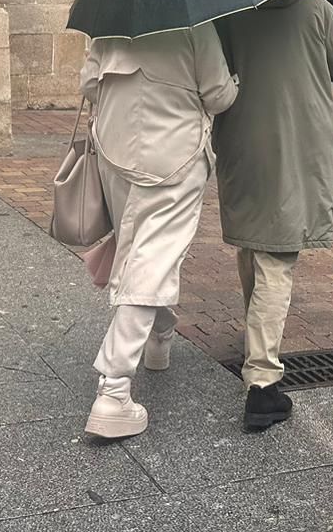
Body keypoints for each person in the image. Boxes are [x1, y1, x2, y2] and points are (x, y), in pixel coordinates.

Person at [79, 23, 238, 439]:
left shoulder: (109, 24)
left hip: (115, 153)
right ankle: (113, 389)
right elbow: (218, 96)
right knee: (154, 260)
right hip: (176, 157)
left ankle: (160, 335)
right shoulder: (196, 25)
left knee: (140, 253)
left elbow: (89, 85)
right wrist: (235, 82)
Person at [212, 0, 333, 432]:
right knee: (278, 255)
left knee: (253, 242)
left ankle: (256, 331)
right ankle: (262, 382)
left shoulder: (230, 11)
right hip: (299, 143)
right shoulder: (317, 8)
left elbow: (216, 74)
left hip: (243, 143)